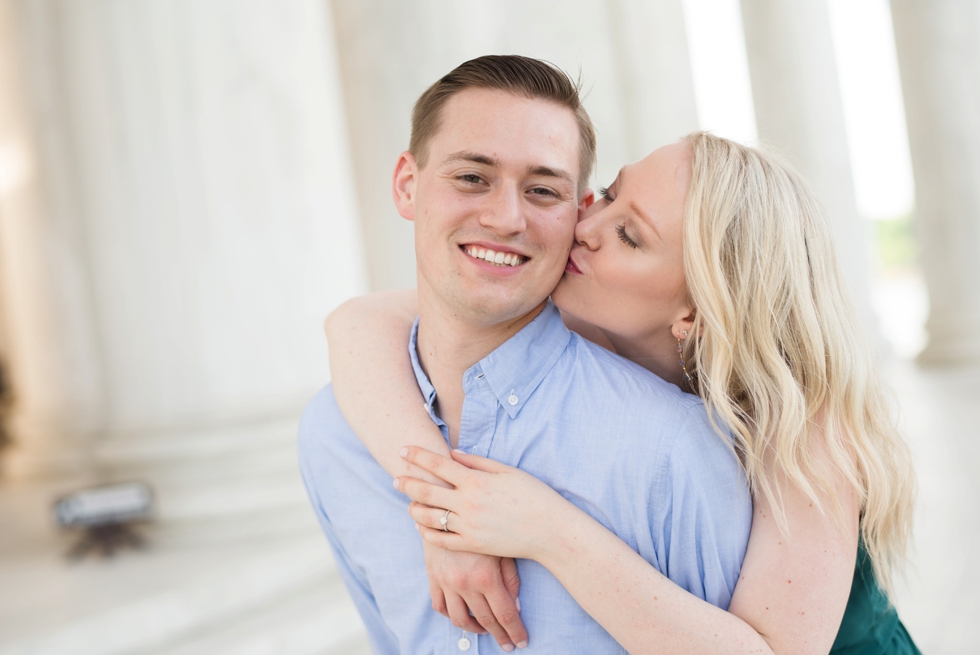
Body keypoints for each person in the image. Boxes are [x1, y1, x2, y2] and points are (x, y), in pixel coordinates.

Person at [325, 129, 921, 653]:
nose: (584, 227)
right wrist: (446, 522)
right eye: (609, 194)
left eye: (630, 236)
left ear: (696, 313)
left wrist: (546, 529)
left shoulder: (805, 429)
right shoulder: (581, 307)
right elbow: (356, 324)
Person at [299, 55, 753, 654]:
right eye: (471, 177)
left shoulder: (676, 453)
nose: (505, 217)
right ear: (408, 185)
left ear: (574, 212)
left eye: (542, 191)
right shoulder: (335, 436)